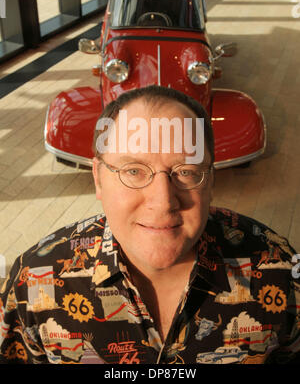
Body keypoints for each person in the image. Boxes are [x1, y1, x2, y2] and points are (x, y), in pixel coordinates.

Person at [0, 85, 299, 365]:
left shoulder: (282, 272)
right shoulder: (34, 281)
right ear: (98, 178)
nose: (163, 201)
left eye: (186, 171)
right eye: (133, 170)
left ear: (211, 180)